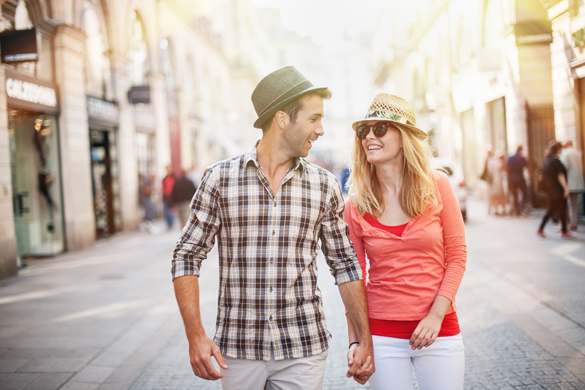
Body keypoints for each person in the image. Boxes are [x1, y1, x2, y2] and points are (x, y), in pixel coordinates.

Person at [172, 66, 374, 389]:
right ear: (282, 119)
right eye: (313, 118)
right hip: (238, 350)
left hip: (303, 347)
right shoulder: (219, 180)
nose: (321, 129)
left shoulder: (325, 186)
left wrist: (365, 339)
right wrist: (195, 336)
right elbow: (186, 256)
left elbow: (345, 264)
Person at [344, 93, 467, 390]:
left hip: (440, 329)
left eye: (381, 129)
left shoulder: (437, 184)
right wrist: (357, 341)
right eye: (364, 131)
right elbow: (352, 277)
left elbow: (458, 256)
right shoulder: (356, 204)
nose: (369, 136)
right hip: (381, 335)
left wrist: (436, 316)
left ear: (404, 138)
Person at [537, 141, 575, 238]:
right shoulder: (556, 160)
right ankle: (564, 231)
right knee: (561, 210)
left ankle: (541, 229)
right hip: (558, 190)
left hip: (551, 191)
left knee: (552, 210)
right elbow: (560, 175)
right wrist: (566, 189)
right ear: (558, 149)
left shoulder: (547, 160)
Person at [560, 140, 584, 231]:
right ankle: (574, 223)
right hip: (578, 183)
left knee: (569, 205)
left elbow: (563, 168)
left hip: (569, 183)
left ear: (566, 145)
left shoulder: (566, 154)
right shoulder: (578, 153)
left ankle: (567, 224)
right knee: (574, 204)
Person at [507, 146, 529, 216]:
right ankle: (521, 207)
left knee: (515, 194)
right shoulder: (522, 158)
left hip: (512, 179)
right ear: (520, 150)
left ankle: (517, 209)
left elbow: (507, 169)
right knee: (525, 193)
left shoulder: (510, 158)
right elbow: (528, 167)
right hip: (520, 178)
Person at [162, 165, 175, 230]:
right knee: (165, 211)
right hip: (166, 196)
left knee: (170, 211)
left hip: (171, 196)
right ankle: (169, 224)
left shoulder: (173, 177)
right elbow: (163, 188)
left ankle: (171, 224)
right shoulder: (165, 178)